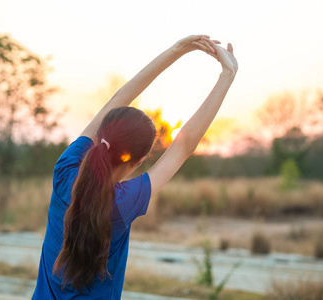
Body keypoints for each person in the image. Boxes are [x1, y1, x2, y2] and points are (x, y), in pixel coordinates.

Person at [32, 35, 238, 299]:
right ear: (139, 161)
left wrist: (177, 49)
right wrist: (227, 74)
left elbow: (119, 97)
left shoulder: (65, 170)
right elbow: (183, 147)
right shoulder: (122, 204)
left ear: (100, 136)